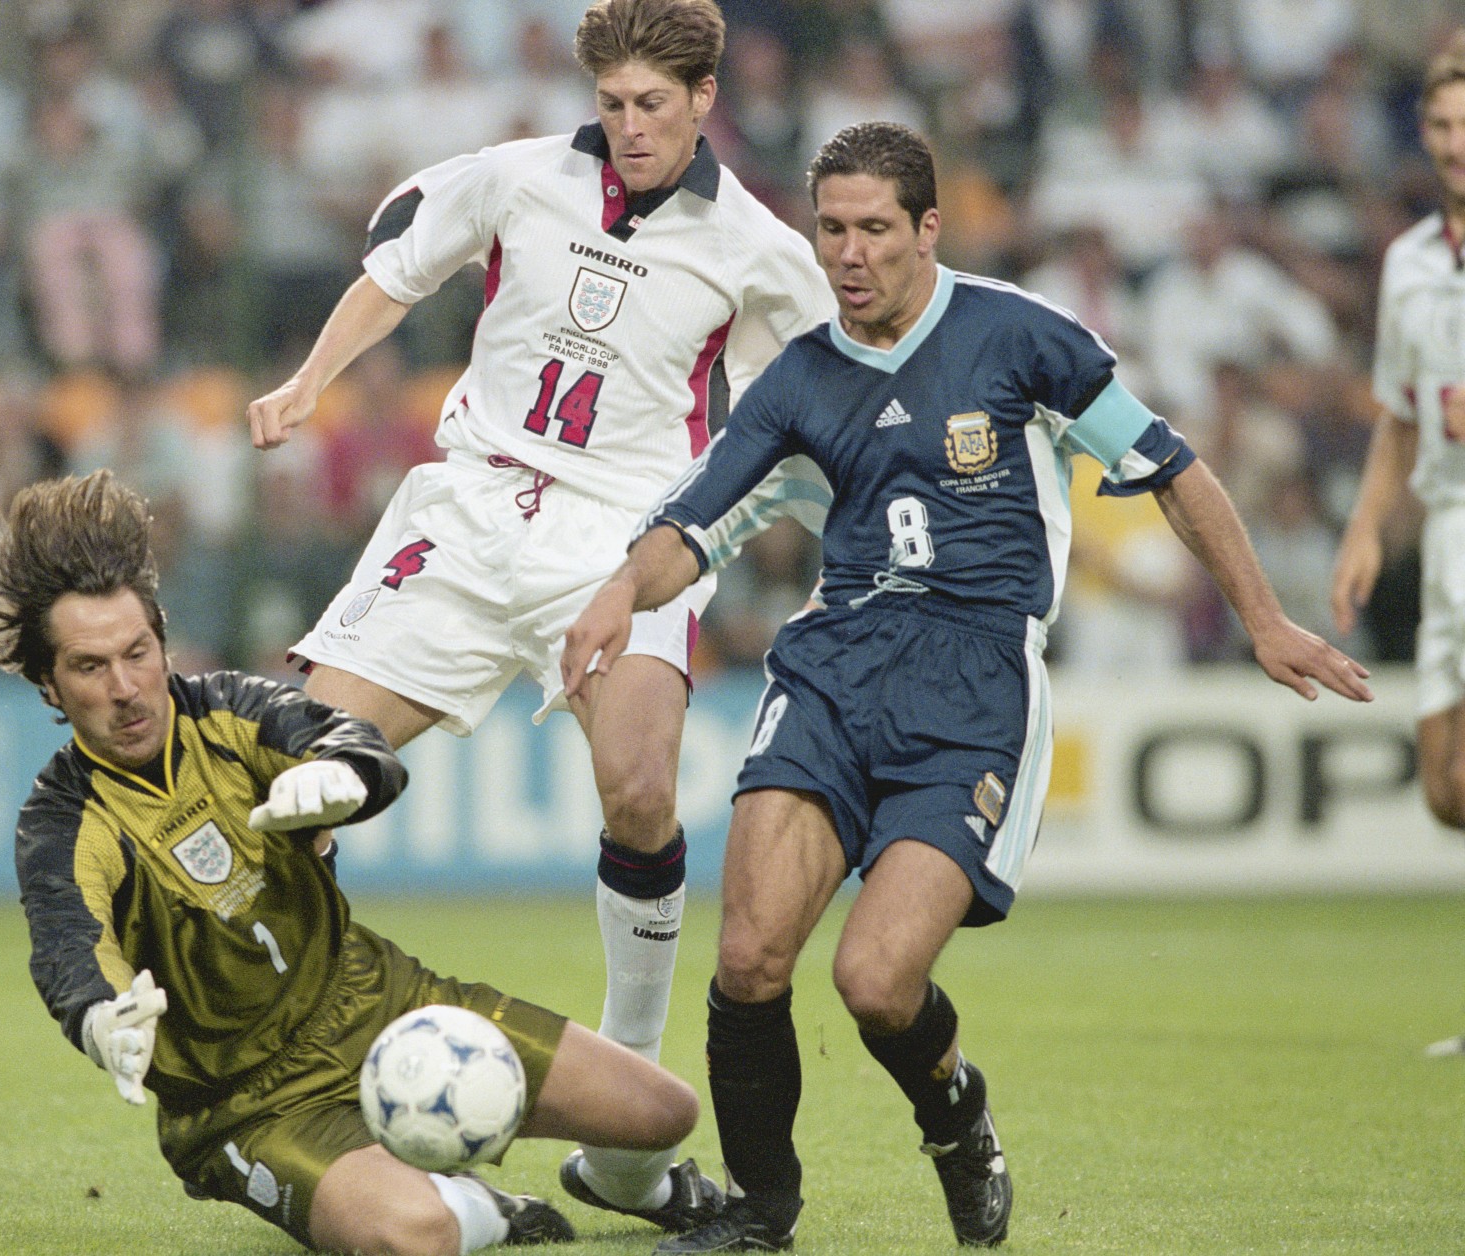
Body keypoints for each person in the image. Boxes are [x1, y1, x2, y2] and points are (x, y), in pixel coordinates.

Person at [562, 121, 1374, 1253]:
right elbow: (690, 524)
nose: (849, 254)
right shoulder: (799, 373)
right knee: (749, 957)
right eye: (831, 229)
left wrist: (1262, 618)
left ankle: (956, 1110)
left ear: (928, 227)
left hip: (974, 676)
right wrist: (617, 594)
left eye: (875, 230)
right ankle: (760, 1210)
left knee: (876, 980)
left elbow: (1171, 468)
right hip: (835, 663)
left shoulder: (1019, 336)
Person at [246, 0, 834, 1229]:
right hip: (467, 512)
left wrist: (755, 532)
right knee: (292, 775)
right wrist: (309, 381)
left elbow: (808, 410)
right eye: (612, 104)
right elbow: (391, 274)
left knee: (639, 789)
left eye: (652, 107)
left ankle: (624, 1137)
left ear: (705, 97)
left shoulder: (758, 248)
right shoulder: (514, 177)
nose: (628, 128)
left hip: (622, 536)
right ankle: (290, 1082)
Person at [0, 469, 713, 1256]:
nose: (126, 688)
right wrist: (98, 1016)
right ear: (49, 683)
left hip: (381, 1005)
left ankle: (606, 1182)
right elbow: (69, 947)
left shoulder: (230, 711)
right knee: (414, 1237)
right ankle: (486, 1210)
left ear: (162, 637)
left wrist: (345, 774)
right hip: (249, 1105)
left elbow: (345, 738)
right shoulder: (63, 822)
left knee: (663, 1113)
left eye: (138, 652)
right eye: (91, 667)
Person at [1331, 32, 1465, 1062]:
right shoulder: (1412, 260)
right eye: (1442, 125)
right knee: (1445, 787)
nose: (1456, 145)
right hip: (1447, 533)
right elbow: (1398, 417)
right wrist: (1367, 528)